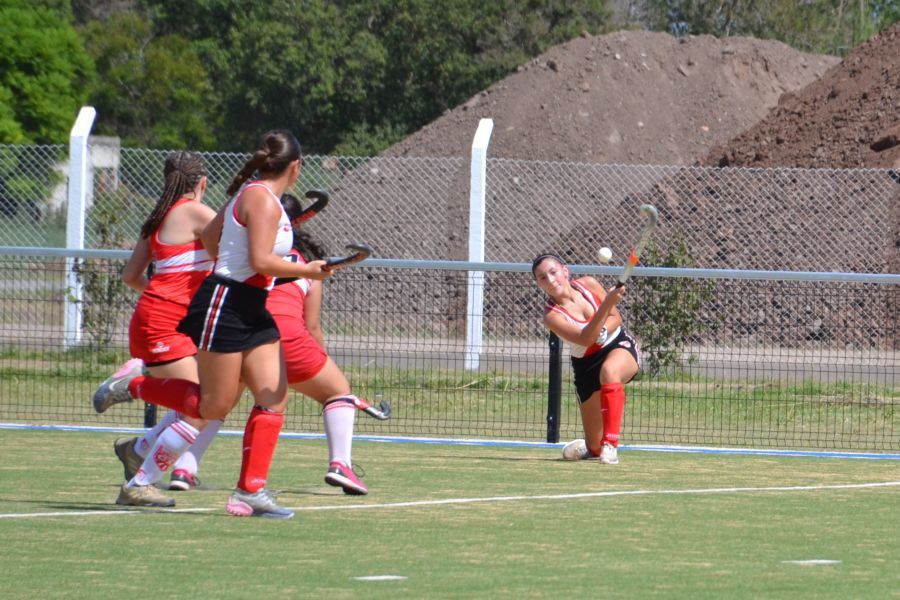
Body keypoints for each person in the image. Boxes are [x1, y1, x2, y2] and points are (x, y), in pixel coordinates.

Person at [94, 130, 332, 519]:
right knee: (210, 406)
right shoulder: (260, 198)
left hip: (251, 304)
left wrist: (235, 261)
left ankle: (250, 492)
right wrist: (303, 269)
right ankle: (137, 455)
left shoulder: (258, 196)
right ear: (295, 167)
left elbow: (211, 237)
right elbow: (259, 260)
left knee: (273, 395)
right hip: (227, 305)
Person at [92, 150, 219, 508]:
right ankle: (131, 387)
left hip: (158, 318)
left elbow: (131, 277)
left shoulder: (158, 217)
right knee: (202, 405)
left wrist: (164, 297)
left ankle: (138, 450)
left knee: (198, 404)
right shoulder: (194, 211)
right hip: (167, 325)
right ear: (203, 183)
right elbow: (234, 246)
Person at [531, 253, 641, 465]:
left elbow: (616, 317)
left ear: (565, 271)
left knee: (610, 371)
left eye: (553, 272)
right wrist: (606, 304)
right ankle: (595, 445)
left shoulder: (588, 284)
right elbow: (584, 340)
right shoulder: (551, 316)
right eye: (543, 277)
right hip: (585, 367)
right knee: (594, 448)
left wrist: (603, 326)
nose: (551, 280)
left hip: (618, 346)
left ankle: (611, 444)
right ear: (538, 284)